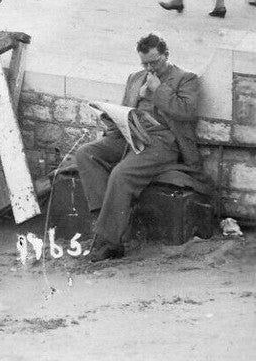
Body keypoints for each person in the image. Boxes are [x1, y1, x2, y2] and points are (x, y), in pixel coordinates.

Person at [72, 34, 208, 262]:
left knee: (122, 173)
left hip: (162, 142)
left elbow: (187, 112)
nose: (149, 67)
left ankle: (110, 242)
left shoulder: (185, 79)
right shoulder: (136, 78)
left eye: (154, 62)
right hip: (129, 135)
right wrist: (111, 118)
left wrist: (159, 91)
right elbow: (126, 111)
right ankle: (105, 222)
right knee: (86, 153)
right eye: (144, 63)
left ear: (166, 55)